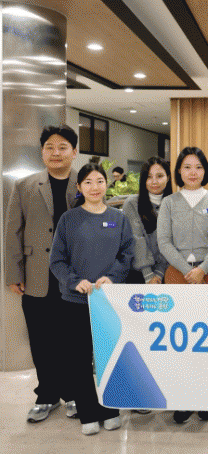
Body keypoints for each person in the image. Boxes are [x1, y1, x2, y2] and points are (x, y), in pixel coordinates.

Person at [49, 163, 134, 435]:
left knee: (110, 357)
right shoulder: (68, 219)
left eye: (99, 181)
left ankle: (110, 410)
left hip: (108, 301)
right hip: (75, 301)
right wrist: (74, 281)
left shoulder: (119, 218)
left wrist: (112, 277)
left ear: (106, 184)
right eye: (87, 182)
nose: (94, 187)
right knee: (79, 360)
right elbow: (57, 260)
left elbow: (127, 254)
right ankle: (88, 413)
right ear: (79, 187)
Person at [4, 125, 79, 422]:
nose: (55, 152)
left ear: (74, 152)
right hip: (37, 275)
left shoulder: (86, 182)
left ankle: (73, 393)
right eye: (49, 147)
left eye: (62, 147)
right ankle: (46, 395)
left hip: (75, 277)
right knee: (41, 339)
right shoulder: (24, 185)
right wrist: (14, 273)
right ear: (42, 151)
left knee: (73, 340)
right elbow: (13, 231)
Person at [157, 147, 208, 424]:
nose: (193, 172)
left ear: (205, 170)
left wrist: (203, 269)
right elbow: (164, 242)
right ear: (179, 171)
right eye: (187, 167)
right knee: (181, 341)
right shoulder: (169, 203)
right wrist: (188, 271)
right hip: (178, 276)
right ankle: (184, 398)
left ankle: (206, 397)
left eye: (198, 167)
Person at [122, 157, 173, 285]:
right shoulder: (132, 204)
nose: (154, 181)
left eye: (160, 176)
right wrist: (149, 275)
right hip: (138, 274)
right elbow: (136, 239)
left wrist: (160, 272)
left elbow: (172, 242)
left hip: (166, 273)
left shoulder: (175, 205)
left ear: (168, 177)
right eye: (149, 177)